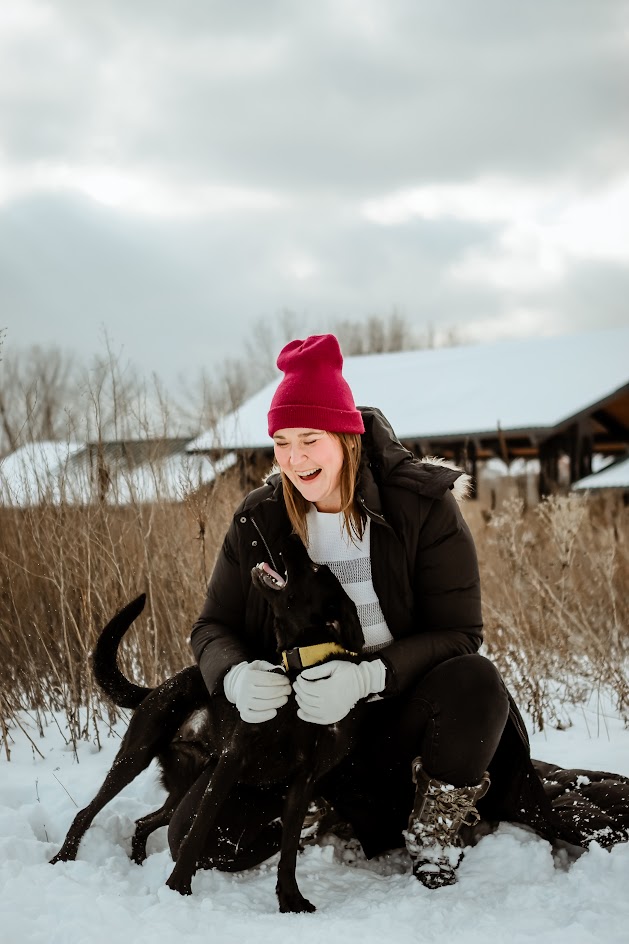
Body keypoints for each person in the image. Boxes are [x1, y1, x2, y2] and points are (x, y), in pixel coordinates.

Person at [167, 334, 587, 888]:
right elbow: (211, 625)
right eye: (282, 442)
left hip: (397, 714)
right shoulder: (258, 518)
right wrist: (235, 674)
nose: (295, 459)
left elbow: (460, 632)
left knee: (475, 680)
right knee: (197, 838)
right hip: (301, 727)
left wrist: (369, 674)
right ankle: (321, 803)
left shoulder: (420, 505)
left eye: (310, 439)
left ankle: (436, 824)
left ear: (345, 435)